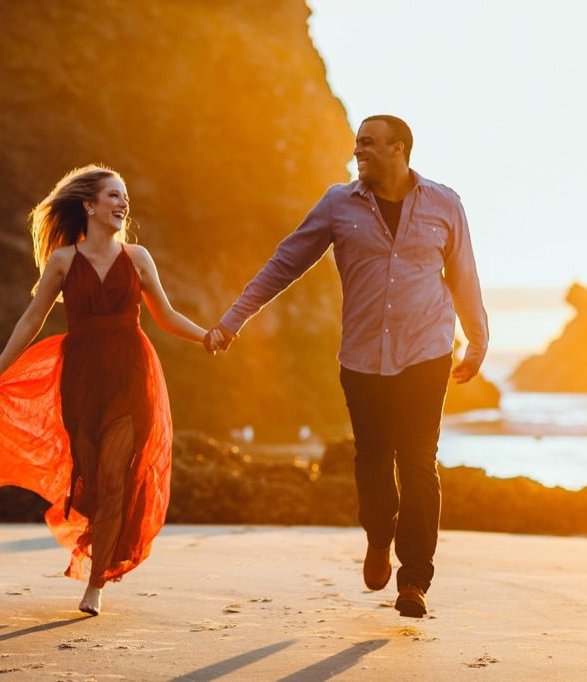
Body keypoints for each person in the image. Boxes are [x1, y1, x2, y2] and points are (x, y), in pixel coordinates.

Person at [205, 115, 488, 618]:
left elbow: (464, 274)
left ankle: (414, 579)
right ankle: (379, 535)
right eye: (357, 143)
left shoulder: (445, 204)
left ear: (398, 149)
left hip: (426, 351)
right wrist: (233, 320)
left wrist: (478, 340)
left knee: (419, 461)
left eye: (368, 143)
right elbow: (285, 263)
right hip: (362, 357)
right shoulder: (339, 204)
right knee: (373, 460)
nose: (358, 150)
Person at [0, 164, 209, 616]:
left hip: (130, 375)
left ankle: (95, 585)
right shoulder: (63, 261)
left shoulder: (138, 257)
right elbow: (31, 320)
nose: (122, 203)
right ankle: (99, 553)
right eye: (113, 195)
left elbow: (166, 315)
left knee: (115, 478)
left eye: (125, 197)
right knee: (94, 482)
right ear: (89, 205)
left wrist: (207, 336)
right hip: (80, 378)